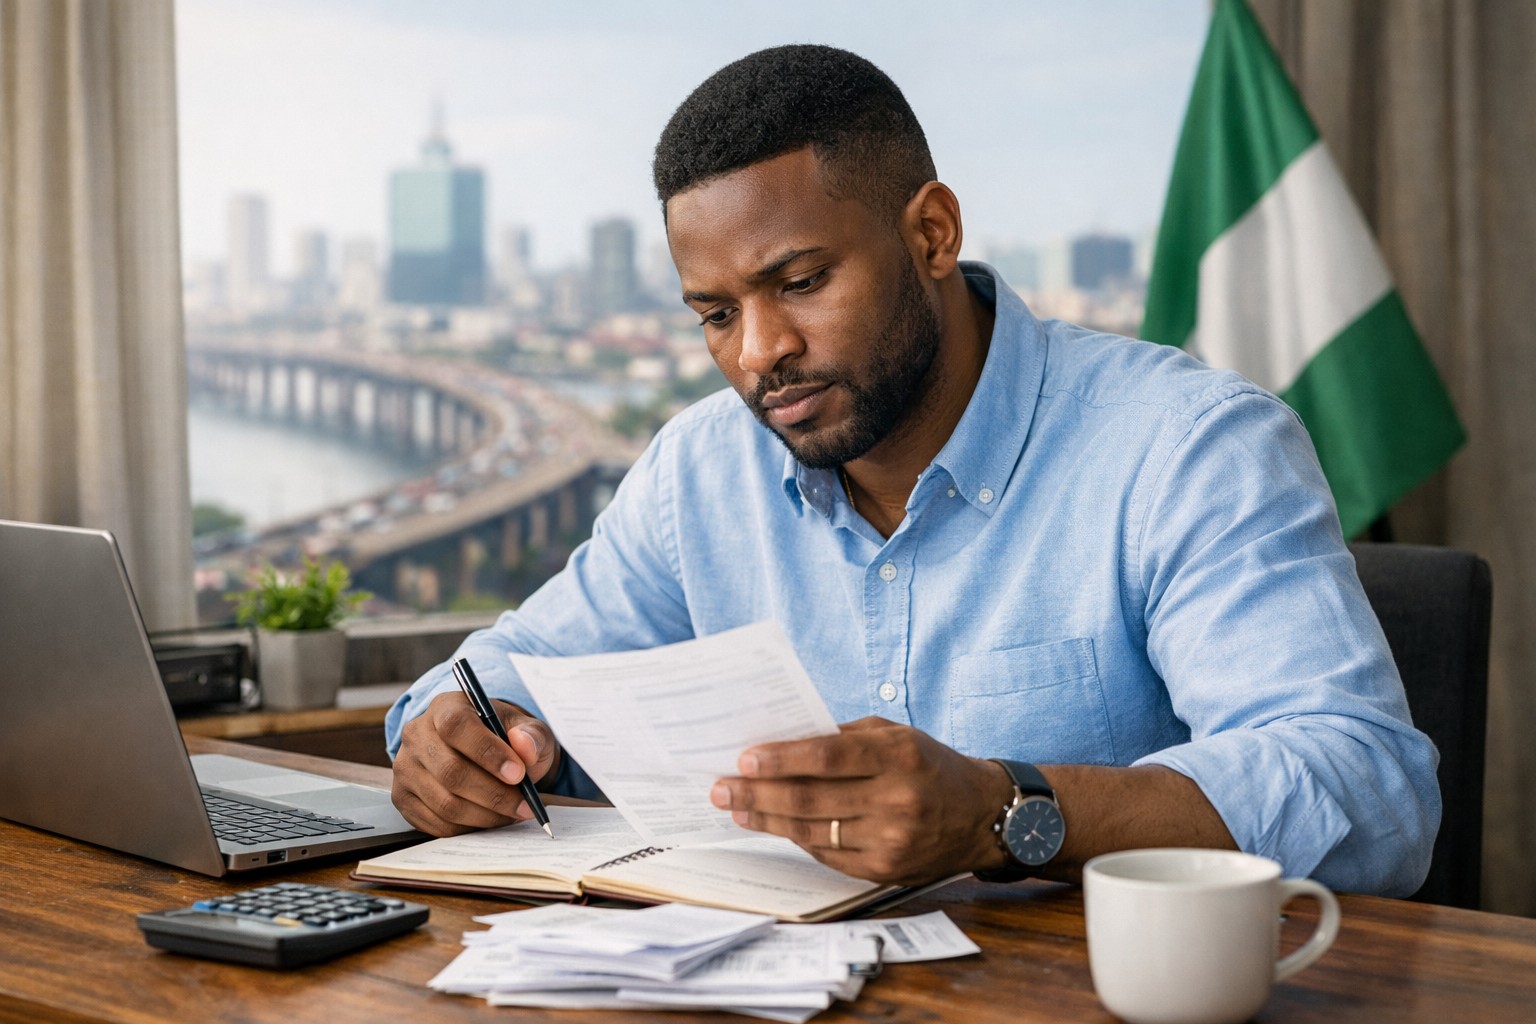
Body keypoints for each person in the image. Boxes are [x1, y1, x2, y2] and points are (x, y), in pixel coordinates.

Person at [386, 44, 1438, 896]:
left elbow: (1371, 790)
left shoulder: (1186, 447)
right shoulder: (700, 471)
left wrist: (1003, 810)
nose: (757, 354)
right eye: (714, 314)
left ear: (932, 234)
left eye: (799, 282)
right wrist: (451, 739)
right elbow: (495, 675)